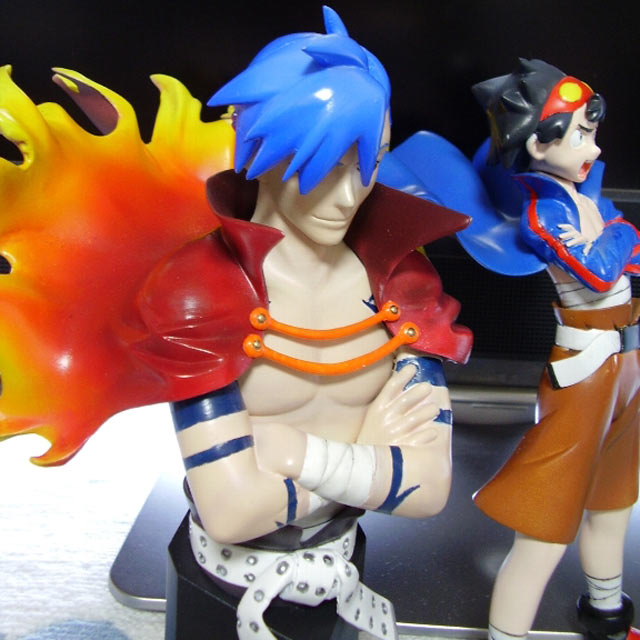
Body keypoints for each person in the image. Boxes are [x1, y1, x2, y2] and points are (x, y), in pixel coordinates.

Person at [163, 7, 472, 640]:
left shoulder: (402, 282)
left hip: (343, 569)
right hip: (220, 586)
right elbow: (229, 511)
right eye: (328, 163)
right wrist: (366, 462)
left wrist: (289, 453)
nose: (349, 196)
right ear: (264, 149)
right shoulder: (199, 291)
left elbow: (431, 488)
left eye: (370, 162)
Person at [466, 59, 640, 640]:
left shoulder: (589, 201)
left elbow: (628, 259)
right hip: (584, 373)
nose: (594, 146)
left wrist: (618, 238)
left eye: (593, 132)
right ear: (539, 145)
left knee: (613, 501)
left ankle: (607, 613)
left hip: (627, 364)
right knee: (544, 525)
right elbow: (600, 270)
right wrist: (621, 234)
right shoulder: (546, 214)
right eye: (581, 135)